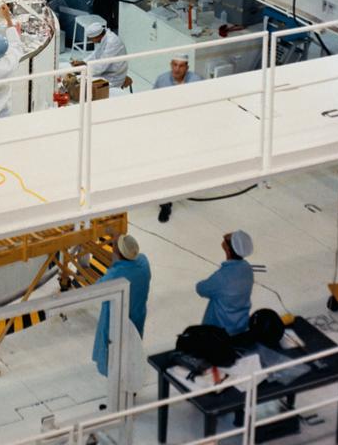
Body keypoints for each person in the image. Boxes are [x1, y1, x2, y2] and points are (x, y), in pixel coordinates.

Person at [92, 233, 151, 377]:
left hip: (116, 321)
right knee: (132, 348)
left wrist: (112, 267)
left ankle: (120, 385)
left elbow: (96, 290)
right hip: (137, 315)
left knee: (114, 353)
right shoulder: (143, 262)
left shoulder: (116, 274)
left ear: (116, 252)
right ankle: (130, 378)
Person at [152, 56, 203, 222]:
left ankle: (180, 186)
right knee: (165, 167)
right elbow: (151, 102)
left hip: (187, 131)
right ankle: (165, 204)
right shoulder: (162, 80)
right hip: (166, 131)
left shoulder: (196, 82)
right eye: (174, 65)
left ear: (187, 67)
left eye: (181, 66)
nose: (177, 69)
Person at [195, 230, 255, 335]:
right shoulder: (247, 268)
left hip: (218, 331)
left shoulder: (222, 278)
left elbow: (201, 288)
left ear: (228, 249)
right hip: (241, 325)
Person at [71, 18, 129, 90]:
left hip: (114, 77)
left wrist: (82, 71)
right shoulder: (104, 37)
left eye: (91, 39)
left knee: (83, 85)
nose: (91, 41)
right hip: (106, 70)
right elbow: (96, 54)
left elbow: (101, 66)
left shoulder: (112, 42)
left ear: (97, 36)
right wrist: (83, 62)